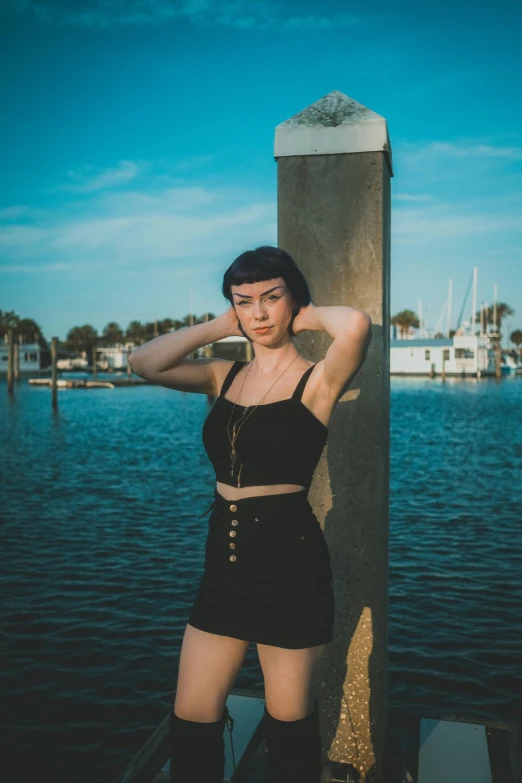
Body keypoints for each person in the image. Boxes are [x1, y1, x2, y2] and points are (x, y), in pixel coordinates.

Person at [128, 245, 372, 782]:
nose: (258, 314)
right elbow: (143, 362)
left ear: (292, 302)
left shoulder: (318, 381)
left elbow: (355, 325)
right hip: (223, 569)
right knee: (191, 719)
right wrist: (221, 323)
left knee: (288, 726)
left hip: (292, 568)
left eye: (271, 298)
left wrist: (305, 311)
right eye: (245, 302)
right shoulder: (224, 375)